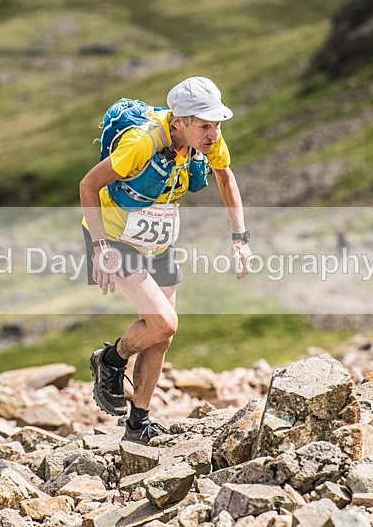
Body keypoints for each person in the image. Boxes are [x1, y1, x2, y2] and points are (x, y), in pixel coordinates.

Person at [78, 76, 252, 444]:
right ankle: (110, 360)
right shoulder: (141, 143)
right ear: (180, 122)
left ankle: (138, 423)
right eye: (204, 126)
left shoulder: (207, 140)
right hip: (115, 238)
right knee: (164, 322)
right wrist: (100, 247)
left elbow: (225, 176)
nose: (213, 134)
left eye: (217, 125)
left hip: (158, 241)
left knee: (160, 337)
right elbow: (88, 185)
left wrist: (240, 238)